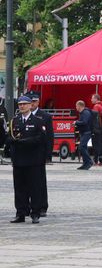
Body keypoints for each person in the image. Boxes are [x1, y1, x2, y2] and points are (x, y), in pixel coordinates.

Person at [5, 95, 49, 224]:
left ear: (30, 105)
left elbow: (41, 139)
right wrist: (13, 141)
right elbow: (8, 138)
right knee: (19, 188)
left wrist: (23, 142)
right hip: (18, 160)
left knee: (34, 187)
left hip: (33, 160)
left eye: (25, 104)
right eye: (20, 104)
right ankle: (21, 213)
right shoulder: (15, 121)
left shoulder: (38, 121)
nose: (22, 106)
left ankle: (35, 213)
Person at [75, 100, 95, 170]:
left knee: (81, 147)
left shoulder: (86, 113)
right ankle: (85, 163)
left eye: (76, 106)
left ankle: (89, 161)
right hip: (84, 132)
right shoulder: (83, 113)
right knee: (84, 147)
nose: (76, 107)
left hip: (87, 132)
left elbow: (84, 122)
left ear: (80, 106)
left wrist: (76, 122)